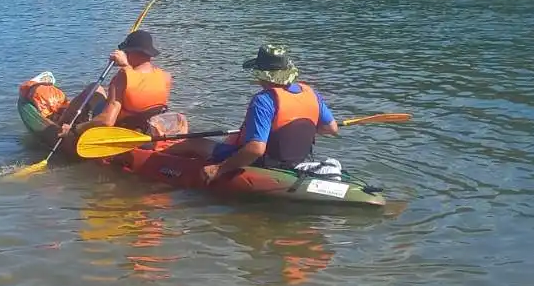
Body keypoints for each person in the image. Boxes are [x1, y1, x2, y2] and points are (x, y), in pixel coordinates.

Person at [175, 45, 338, 183]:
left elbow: (256, 149)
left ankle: (161, 161)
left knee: (193, 143)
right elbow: (331, 128)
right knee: (231, 140)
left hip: (266, 162)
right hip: (297, 160)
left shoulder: (264, 100)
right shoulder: (311, 93)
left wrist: (219, 169)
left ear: (262, 74)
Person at [58, 30, 173, 140]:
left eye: (126, 52)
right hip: (146, 127)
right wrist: (127, 66)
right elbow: (142, 90)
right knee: (96, 88)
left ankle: (61, 125)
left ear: (131, 52)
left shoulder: (123, 77)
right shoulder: (165, 77)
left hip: (122, 129)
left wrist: (76, 129)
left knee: (93, 88)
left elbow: (107, 121)